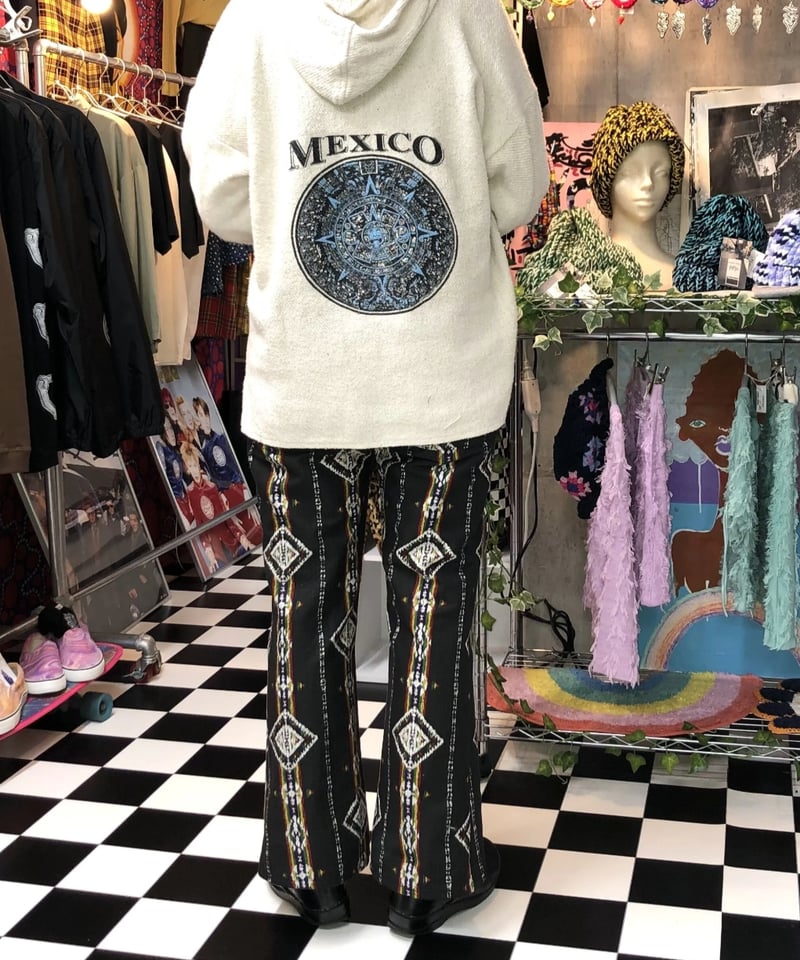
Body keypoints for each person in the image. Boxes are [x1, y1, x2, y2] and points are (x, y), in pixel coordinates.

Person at [183, 0, 548, 936]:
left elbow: (222, 199)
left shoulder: (252, 22)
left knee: (305, 614)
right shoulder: (468, 15)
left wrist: (296, 188)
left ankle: (313, 864)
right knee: (438, 615)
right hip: (443, 371)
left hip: (303, 373)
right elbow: (518, 187)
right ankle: (431, 868)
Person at [590, 101, 685, 289]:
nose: (648, 183)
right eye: (630, 173)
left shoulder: (681, 277)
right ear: (607, 181)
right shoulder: (583, 274)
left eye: (661, 173)